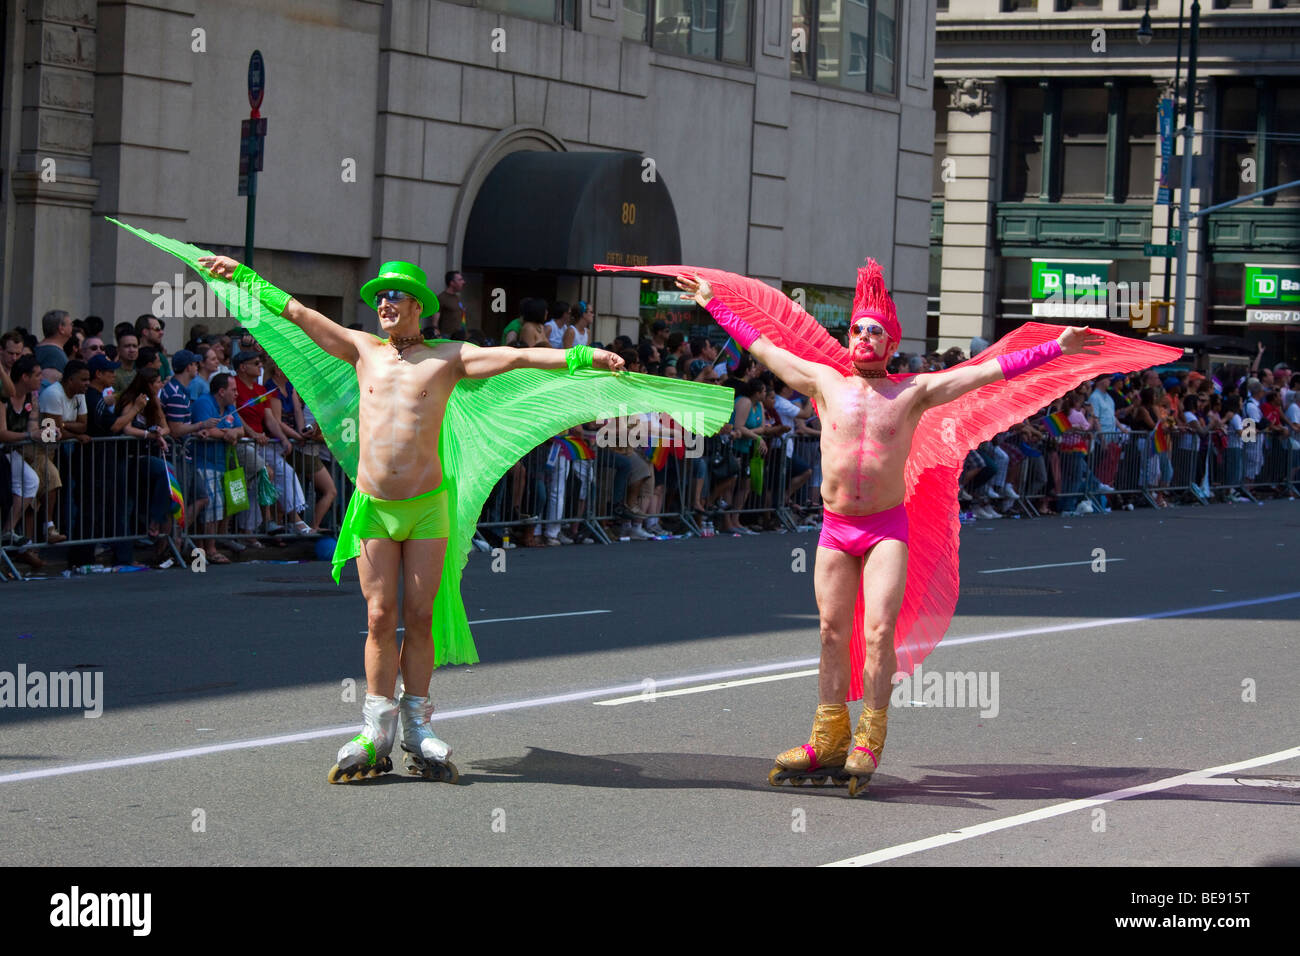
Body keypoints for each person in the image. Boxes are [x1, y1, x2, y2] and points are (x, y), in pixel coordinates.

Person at [173, 245, 730, 787]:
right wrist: (244, 277)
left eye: (397, 296)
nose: (386, 303)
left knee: (419, 616)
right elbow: (296, 312)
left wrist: (584, 358)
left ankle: (417, 726)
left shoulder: (449, 357)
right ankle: (374, 730)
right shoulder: (361, 348)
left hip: (427, 509)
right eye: (381, 296)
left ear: (419, 306)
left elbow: (518, 358)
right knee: (377, 616)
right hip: (373, 507)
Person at [666, 259, 1173, 796]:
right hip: (836, 528)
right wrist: (711, 302)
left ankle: (869, 736)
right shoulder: (823, 381)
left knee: (880, 631)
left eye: (874, 331)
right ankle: (827, 736)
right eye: (857, 329)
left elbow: (987, 373)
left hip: (887, 528)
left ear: (891, 346)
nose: (862, 337)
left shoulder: (914, 392)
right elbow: (762, 347)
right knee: (830, 633)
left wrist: (1057, 348)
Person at [35, 310, 74, 384]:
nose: (72, 327)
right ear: (61, 329)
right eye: (71, 324)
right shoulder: (55, 355)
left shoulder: (38, 348)